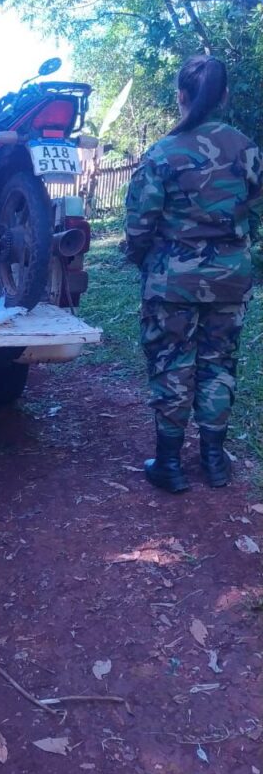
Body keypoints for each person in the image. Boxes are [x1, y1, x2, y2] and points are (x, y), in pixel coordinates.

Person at [125, 55, 262, 493]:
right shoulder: (246, 148)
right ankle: (214, 461)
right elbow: (256, 206)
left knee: (171, 364)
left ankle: (169, 464)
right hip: (230, 278)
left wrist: (146, 259)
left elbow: (138, 227)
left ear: (181, 95)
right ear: (223, 96)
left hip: (173, 281)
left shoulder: (162, 152)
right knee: (219, 363)